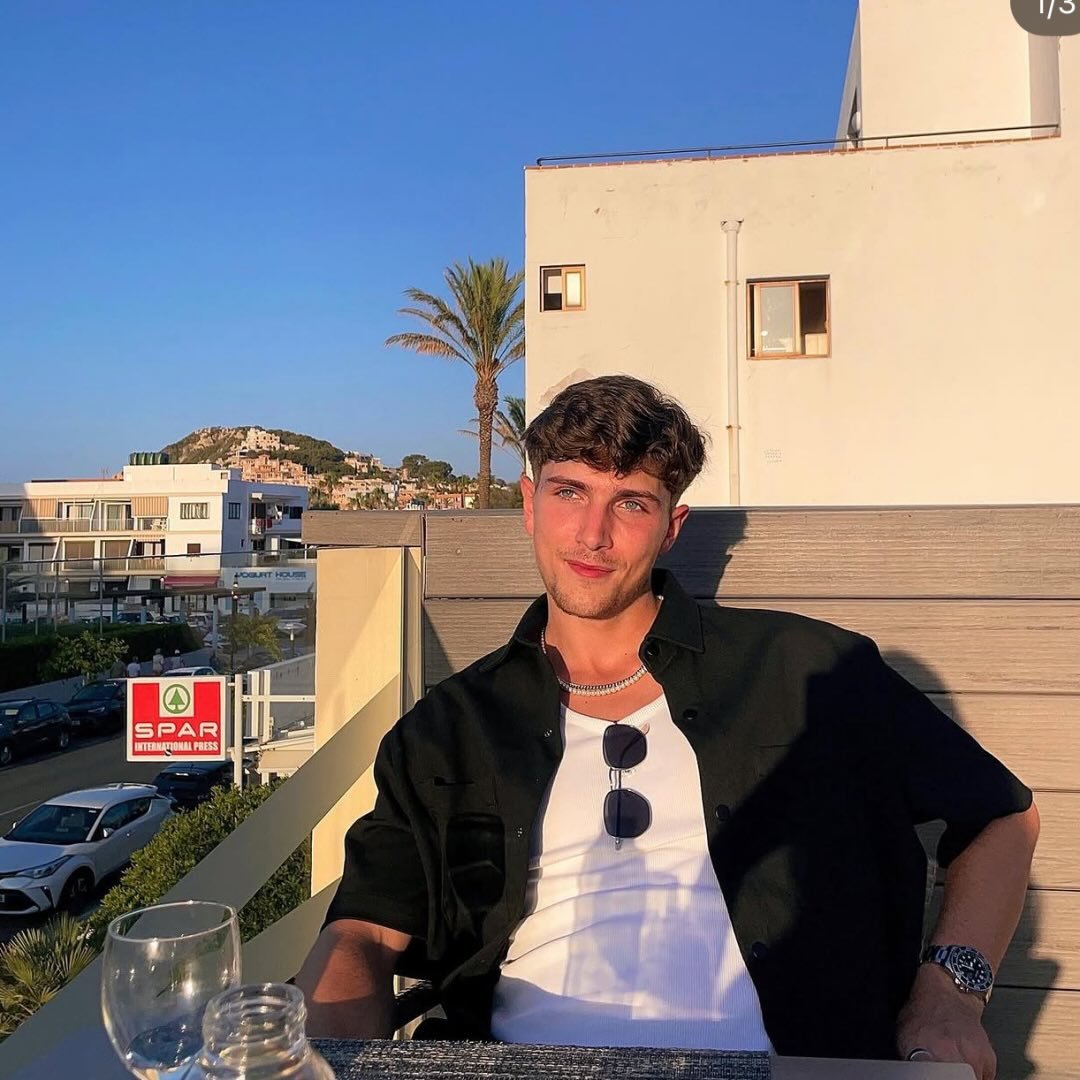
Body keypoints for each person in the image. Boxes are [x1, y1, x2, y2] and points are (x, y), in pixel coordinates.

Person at [295, 376, 1037, 1076]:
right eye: (569, 492)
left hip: (779, 1064)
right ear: (529, 503)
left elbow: (1005, 816)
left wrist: (949, 996)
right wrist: (325, 1060)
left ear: (671, 527)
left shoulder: (805, 671)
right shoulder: (450, 727)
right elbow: (362, 932)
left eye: (631, 503)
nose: (592, 535)